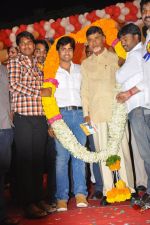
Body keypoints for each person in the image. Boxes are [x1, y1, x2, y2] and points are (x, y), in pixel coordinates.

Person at [80, 26, 135, 205]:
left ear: (103, 38)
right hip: (96, 115)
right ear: (88, 43)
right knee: (103, 152)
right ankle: (108, 190)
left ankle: (128, 188)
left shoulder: (115, 58)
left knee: (122, 150)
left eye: (97, 38)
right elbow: (84, 91)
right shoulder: (85, 64)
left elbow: (125, 80)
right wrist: (86, 114)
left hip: (116, 112)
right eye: (91, 40)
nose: (94, 42)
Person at [7, 31, 52, 219]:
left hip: (40, 118)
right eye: (22, 43)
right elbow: (13, 85)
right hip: (24, 118)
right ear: (18, 46)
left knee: (37, 161)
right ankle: (28, 203)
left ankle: (38, 198)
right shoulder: (15, 62)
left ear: (34, 45)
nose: (26, 46)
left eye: (29, 42)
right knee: (25, 162)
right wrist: (39, 92)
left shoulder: (38, 65)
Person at [48, 36, 88, 212]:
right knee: (62, 158)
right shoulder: (50, 71)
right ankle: (62, 198)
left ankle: (81, 194)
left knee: (79, 155)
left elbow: (86, 93)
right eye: (63, 49)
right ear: (58, 51)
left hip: (80, 115)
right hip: (60, 116)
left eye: (69, 49)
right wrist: (51, 122)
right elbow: (46, 98)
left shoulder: (81, 69)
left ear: (74, 51)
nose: (66, 52)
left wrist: (88, 115)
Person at [117, 0, 150, 205]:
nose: (123, 43)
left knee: (146, 152)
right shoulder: (145, 47)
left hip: (138, 107)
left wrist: (129, 91)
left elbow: (119, 78)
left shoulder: (135, 54)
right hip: (142, 106)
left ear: (135, 37)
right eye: (144, 11)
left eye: (125, 38)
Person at [34, 39, 57, 211]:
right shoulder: (30, 70)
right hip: (32, 119)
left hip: (50, 119)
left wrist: (53, 122)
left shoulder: (52, 71)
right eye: (38, 50)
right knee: (34, 161)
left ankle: (51, 196)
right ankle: (34, 198)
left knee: (52, 159)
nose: (41, 54)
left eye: (44, 51)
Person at [0, 64, 19, 225]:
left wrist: (12, 110)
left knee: (2, 173)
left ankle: (2, 215)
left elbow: (12, 95)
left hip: (5, 127)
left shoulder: (6, 70)